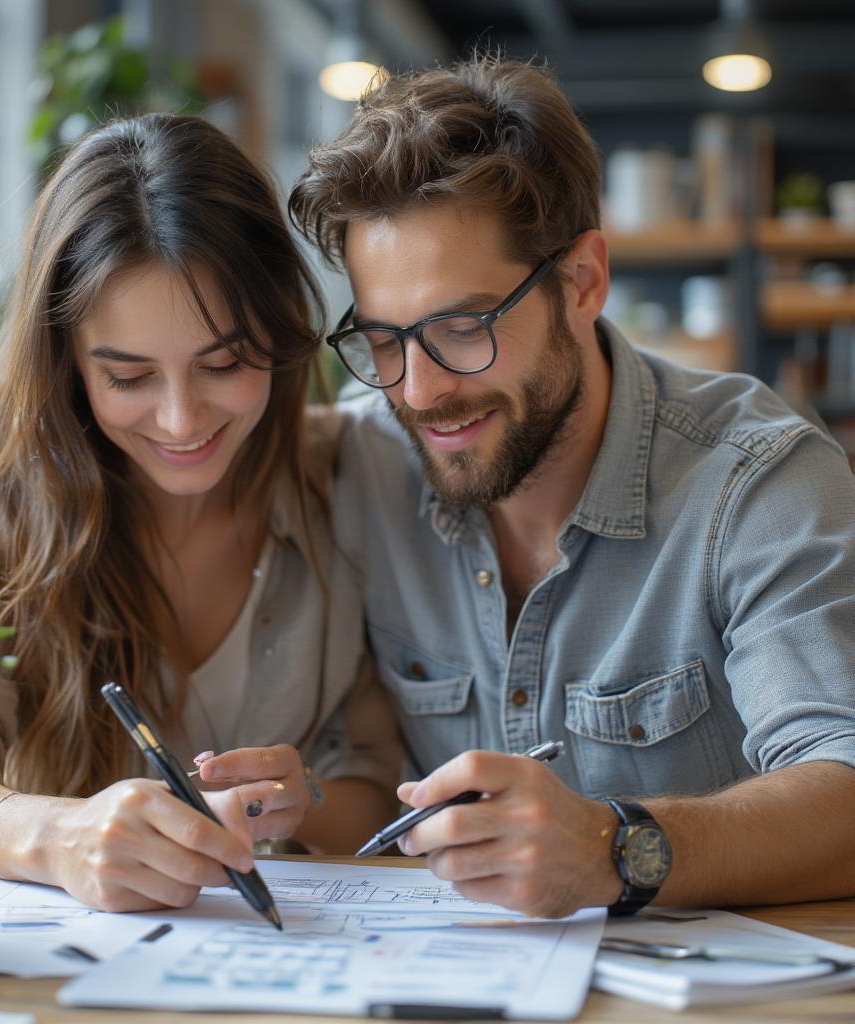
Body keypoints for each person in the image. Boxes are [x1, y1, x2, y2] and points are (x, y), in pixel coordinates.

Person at [289, 55, 855, 918]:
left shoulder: (756, 482)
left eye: (460, 327)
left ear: (583, 281)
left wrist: (614, 847)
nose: (419, 390)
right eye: (385, 339)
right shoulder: (363, 463)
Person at [0, 113, 400, 912]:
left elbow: (380, 773)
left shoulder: (341, 475)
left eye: (223, 363)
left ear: (280, 330)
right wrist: (58, 839)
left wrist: (308, 803)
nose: (181, 419)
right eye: (128, 377)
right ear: (67, 363)